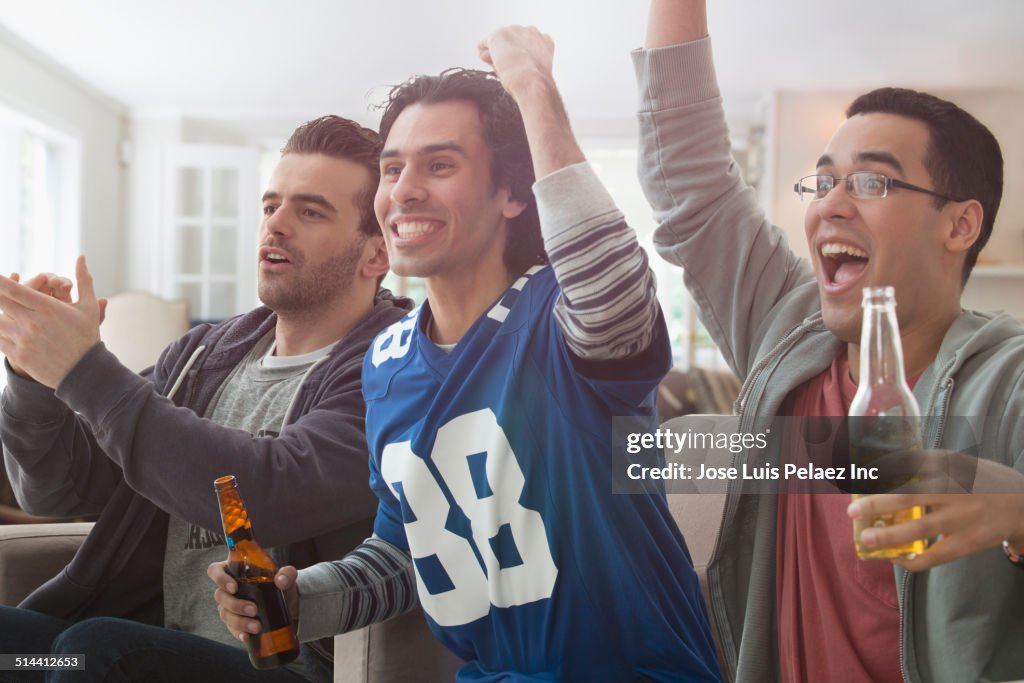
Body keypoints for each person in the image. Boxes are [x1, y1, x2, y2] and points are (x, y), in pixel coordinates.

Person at [213, 26, 722, 682]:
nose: (404, 189)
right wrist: (300, 599)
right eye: (393, 168)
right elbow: (406, 548)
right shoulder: (386, 363)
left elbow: (612, 286)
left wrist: (533, 90)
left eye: (440, 164)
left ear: (513, 194)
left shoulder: (558, 314)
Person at [636, 1, 1024, 682]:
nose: (829, 204)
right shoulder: (787, 327)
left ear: (960, 225)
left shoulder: (1012, 376)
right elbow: (691, 186)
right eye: (824, 180)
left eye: (871, 181)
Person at [0, 115, 427, 682]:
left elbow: (269, 489)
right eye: (271, 205)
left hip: (285, 669)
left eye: (310, 211)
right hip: (151, 651)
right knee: (23, 654)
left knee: (100, 650)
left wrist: (82, 368)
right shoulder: (202, 356)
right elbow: (56, 491)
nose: (275, 225)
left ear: (376, 254)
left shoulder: (393, 369)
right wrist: (34, 377)